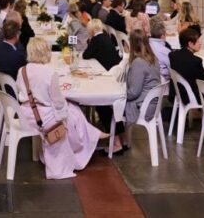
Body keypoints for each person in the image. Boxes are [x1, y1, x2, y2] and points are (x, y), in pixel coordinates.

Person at [16, 37, 105, 179]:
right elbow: (58, 102)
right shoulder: (49, 73)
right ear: (46, 52)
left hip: (25, 114)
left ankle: (92, 134)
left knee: (72, 110)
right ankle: (86, 141)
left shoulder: (22, 70)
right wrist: (64, 112)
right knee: (73, 111)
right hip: (43, 118)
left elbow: (21, 91)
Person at [118, 29, 161, 151]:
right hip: (153, 105)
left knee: (112, 106)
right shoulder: (153, 58)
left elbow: (134, 92)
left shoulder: (138, 62)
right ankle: (124, 140)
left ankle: (118, 143)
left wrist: (120, 95)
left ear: (131, 43)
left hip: (143, 107)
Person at [168, 28, 204, 103]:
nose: (200, 43)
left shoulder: (172, 55)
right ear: (190, 44)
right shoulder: (195, 61)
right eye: (198, 41)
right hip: (191, 97)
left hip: (176, 93)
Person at [148, 16, 171, 82]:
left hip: (147, 79)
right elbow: (172, 70)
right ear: (163, 36)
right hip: (161, 83)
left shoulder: (144, 44)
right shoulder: (165, 51)